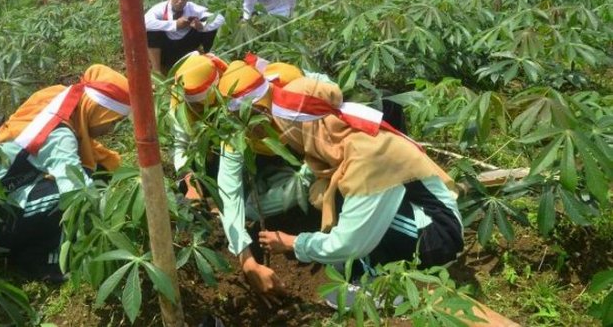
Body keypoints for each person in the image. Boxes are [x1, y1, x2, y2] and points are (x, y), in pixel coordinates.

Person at [258, 77, 463, 285]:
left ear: (307, 129)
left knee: (355, 223)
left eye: (289, 131)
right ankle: (369, 263)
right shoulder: (341, 134)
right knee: (340, 196)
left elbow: (349, 243)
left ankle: (379, 281)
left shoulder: (366, 155)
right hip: (419, 218)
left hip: (438, 238)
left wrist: (293, 243)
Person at [0, 64, 131, 281]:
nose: (110, 130)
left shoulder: (62, 99)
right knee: (72, 196)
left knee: (95, 172)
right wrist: (116, 214)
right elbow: (77, 192)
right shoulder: (60, 135)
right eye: (112, 122)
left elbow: (96, 155)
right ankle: (41, 261)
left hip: (8, 190)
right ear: (96, 111)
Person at [216, 60, 315, 306]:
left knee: (320, 193)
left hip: (315, 151)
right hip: (276, 158)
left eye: (258, 114)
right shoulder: (234, 135)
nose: (253, 127)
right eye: (242, 120)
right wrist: (248, 262)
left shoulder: (295, 95)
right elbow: (229, 195)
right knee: (247, 209)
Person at [170, 52, 228, 200]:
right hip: (198, 157)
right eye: (193, 105)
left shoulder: (228, 91)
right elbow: (180, 145)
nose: (198, 110)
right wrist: (188, 178)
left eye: (202, 104)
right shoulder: (178, 107)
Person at [145, 0, 225, 74]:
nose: (180, 1)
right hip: (166, 50)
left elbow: (219, 18)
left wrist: (202, 26)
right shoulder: (160, 8)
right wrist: (175, 25)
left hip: (186, 49)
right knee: (152, 30)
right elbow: (145, 22)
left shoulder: (192, 8)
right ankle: (157, 71)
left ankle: (212, 62)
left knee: (209, 26)